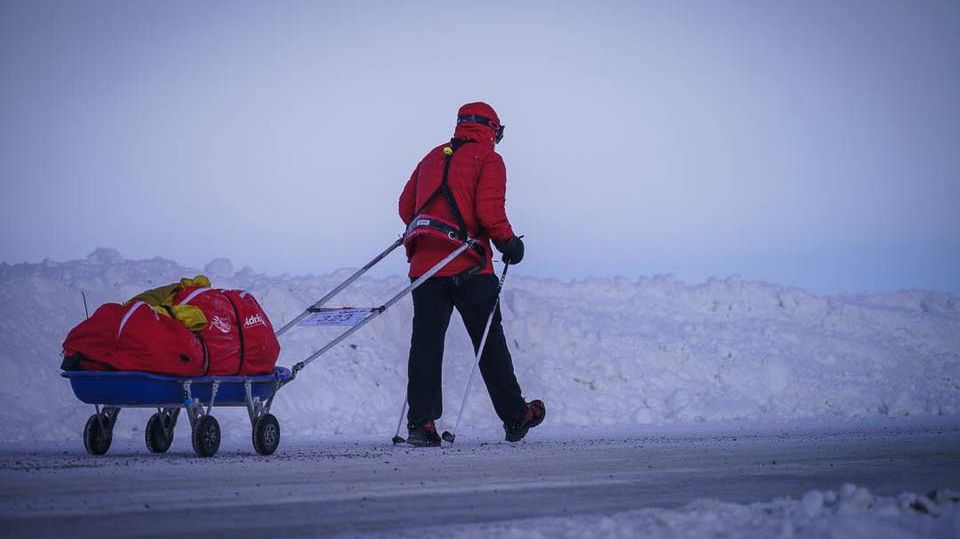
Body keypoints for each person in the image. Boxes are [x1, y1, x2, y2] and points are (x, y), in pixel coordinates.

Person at [398, 102, 545, 447]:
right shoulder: (489, 159)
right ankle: (514, 417)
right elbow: (489, 211)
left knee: (425, 345)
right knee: (488, 344)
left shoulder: (431, 156)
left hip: (425, 267)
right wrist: (509, 243)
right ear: (492, 129)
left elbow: (406, 208)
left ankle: (421, 424)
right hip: (470, 266)